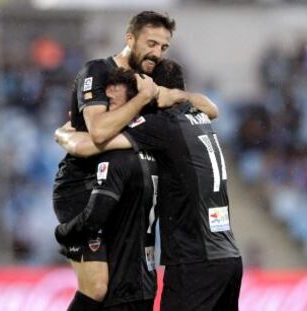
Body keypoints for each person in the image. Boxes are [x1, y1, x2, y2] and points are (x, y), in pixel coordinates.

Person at [52, 10, 218, 311]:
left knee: (126, 287)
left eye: (163, 47)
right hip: (83, 186)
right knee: (98, 286)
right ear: (130, 38)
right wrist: (144, 99)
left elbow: (211, 108)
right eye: (151, 43)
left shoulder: (149, 80)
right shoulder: (97, 71)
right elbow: (99, 132)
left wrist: (172, 94)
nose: (157, 53)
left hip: (126, 188)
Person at [56, 69, 159, 310]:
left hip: (127, 278)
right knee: (96, 288)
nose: (105, 112)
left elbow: (77, 141)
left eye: (113, 104)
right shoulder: (140, 141)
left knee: (101, 286)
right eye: (104, 103)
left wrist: (62, 133)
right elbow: (80, 141)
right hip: (78, 196)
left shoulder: (126, 144)